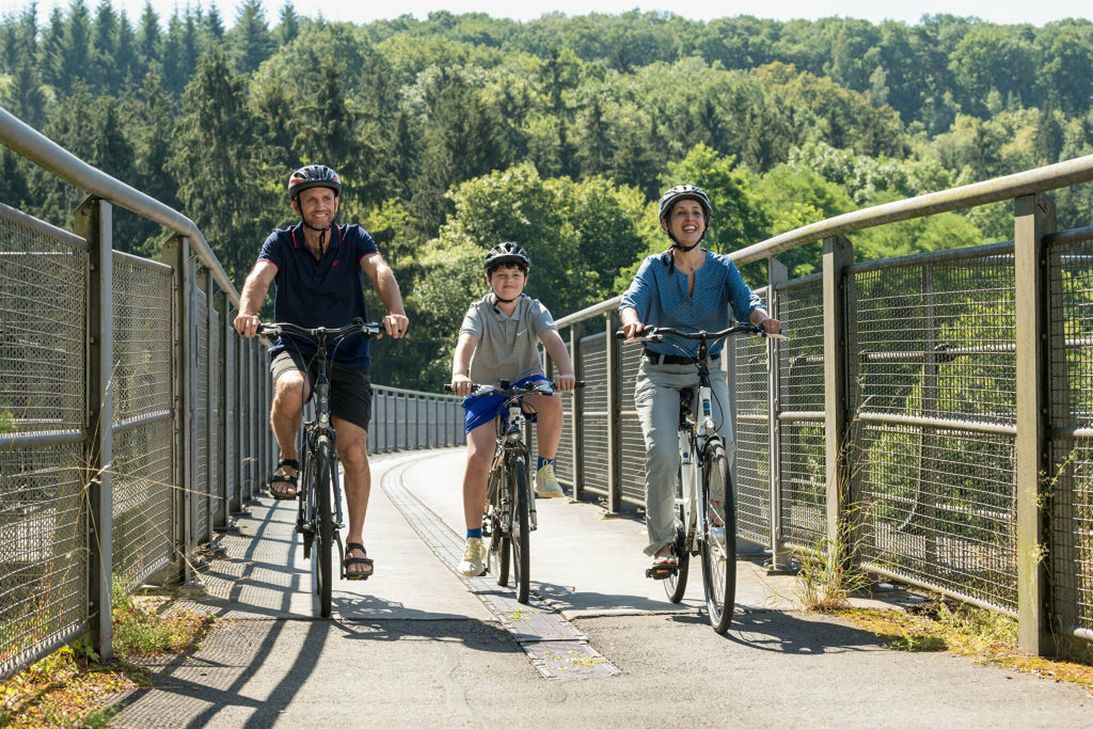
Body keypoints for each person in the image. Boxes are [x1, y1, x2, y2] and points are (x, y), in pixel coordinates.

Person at [233, 164, 409, 581]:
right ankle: (289, 460)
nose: (320, 206)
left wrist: (394, 311)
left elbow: (378, 269)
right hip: (296, 343)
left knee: (353, 450)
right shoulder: (281, 242)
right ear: (297, 205)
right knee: (291, 388)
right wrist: (248, 312)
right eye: (311, 199)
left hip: (348, 348)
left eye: (327, 199)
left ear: (336, 203)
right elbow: (260, 277)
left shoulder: (353, 238)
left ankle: (356, 542)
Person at [618, 184, 780, 577]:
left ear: (705, 222)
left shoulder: (722, 268)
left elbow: (747, 303)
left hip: (706, 369)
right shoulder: (654, 268)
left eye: (696, 213)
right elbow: (630, 302)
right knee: (663, 453)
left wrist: (761, 319)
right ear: (667, 225)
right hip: (659, 373)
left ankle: (714, 514)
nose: (690, 219)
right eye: (681, 214)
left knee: (723, 442)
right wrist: (633, 323)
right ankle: (661, 545)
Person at [449, 242, 576, 577]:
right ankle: (474, 542)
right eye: (502, 275)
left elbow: (551, 339)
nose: (509, 281)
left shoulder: (533, 308)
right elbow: (467, 342)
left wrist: (565, 371)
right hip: (485, 387)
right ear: (490, 279)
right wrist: (460, 374)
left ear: (525, 279)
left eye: (516, 275)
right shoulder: (478, 311)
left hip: (525, 380)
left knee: (550, 399)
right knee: (479, 457)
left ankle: (544, 471)